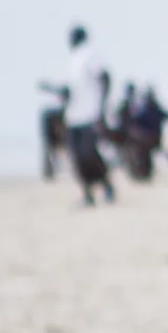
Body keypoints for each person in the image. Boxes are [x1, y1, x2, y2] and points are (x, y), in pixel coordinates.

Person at [56, 26, 115, 206]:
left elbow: (105, 78)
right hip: (73, 116)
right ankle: (88, 194)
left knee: (89, 155)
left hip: (89, 115)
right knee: (77, 157)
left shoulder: (89, 54)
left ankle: (106, 187)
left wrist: (102, 108)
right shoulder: (73, 60)